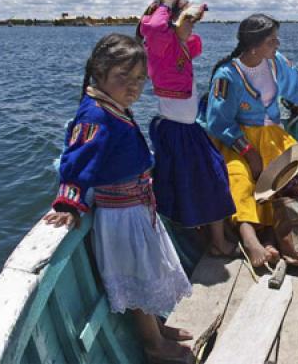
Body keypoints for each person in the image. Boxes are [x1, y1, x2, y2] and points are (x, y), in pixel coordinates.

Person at [44, 34, 193, 364]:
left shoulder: (112, 105)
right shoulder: (94, 116)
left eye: (139, 79)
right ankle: (153, 344)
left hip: (137, 207)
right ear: (99, 73)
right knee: (138, 277)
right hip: (121, 215)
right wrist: (69, 203)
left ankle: (158, 325)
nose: (133, 87)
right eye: (123, 78)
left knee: (148, 269)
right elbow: (76, 161)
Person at [201, 14, 298, 267]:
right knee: (240, 180)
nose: (278, 44)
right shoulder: (227, 75)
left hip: (273, 135)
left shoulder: (276, 63)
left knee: (287, 178)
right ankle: (251, 240)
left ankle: (272, 237)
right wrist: (249, 153)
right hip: (238, 138)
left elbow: (296, 87)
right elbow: (218, 122)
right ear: (254, 46)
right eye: (272, 41)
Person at [138, 0, 236, 257]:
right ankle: (217, 241)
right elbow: (154, 27)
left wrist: (184, 18)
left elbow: (196, 43)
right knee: (212, 179)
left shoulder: (177, 46)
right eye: (188, 20)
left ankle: (208, 233)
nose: (192, 26)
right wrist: (166, 3)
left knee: (200, 179)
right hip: (177, 129)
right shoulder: (162, 48)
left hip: (185, 128)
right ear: (172, 22)